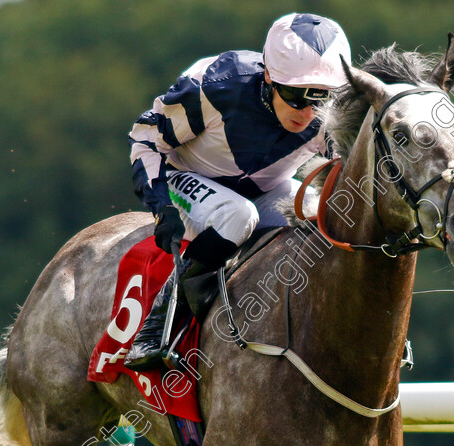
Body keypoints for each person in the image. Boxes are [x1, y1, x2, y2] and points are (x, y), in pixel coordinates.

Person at [124, 12, 352, 371]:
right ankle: (157, 324)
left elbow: (348, 177)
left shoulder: (331, 114)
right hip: (186, 176)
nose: (308, 113)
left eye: (320, 99)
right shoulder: (216, 85)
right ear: (268, 76)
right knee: (238, 215)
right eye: (295, 96)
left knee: (319, 215)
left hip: (265, 189)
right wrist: (161, 207)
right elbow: (145, 139)